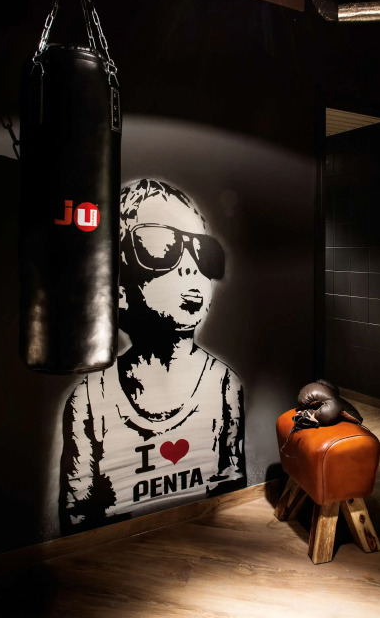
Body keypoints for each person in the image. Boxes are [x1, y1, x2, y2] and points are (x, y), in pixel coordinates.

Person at [59, 178, 246, 534]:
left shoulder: (224, 386)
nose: (190, 266)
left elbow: (230, 487)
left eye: (201, 250)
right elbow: (79, 515)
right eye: (160, 245)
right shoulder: (90, 401)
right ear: (118, 286)